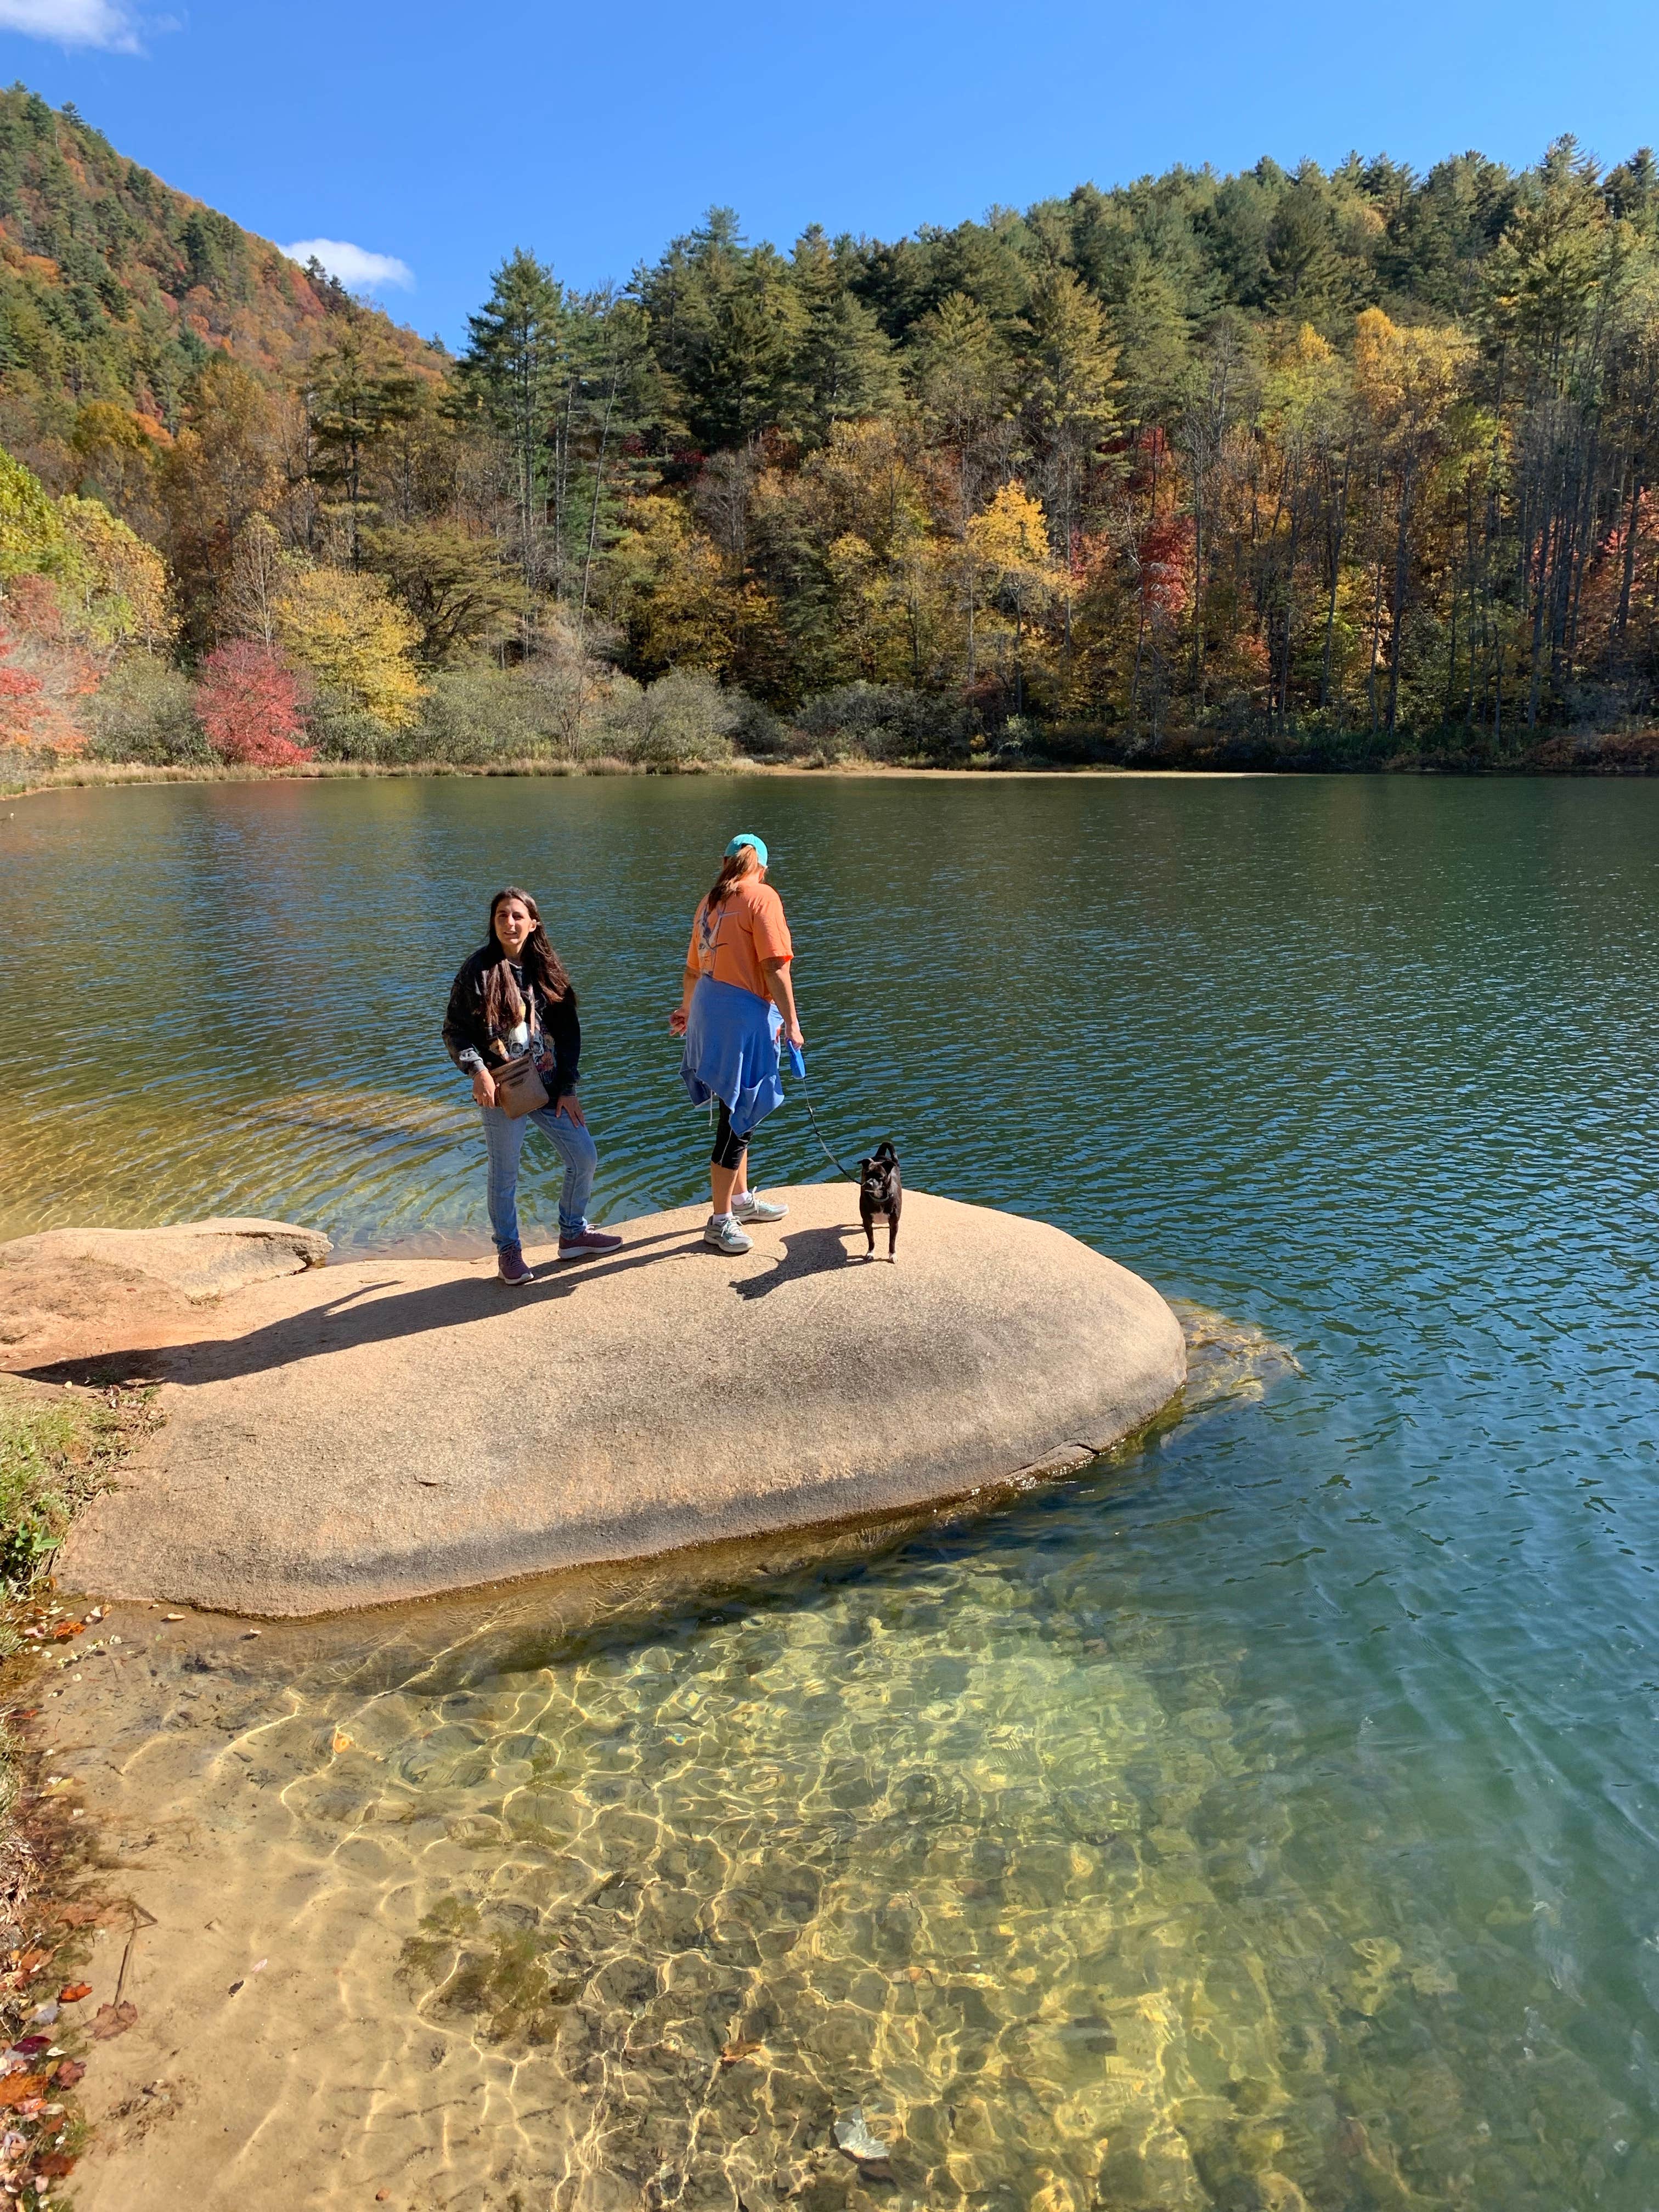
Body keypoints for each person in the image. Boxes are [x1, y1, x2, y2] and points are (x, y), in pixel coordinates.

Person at [443, 887, 622, 1286]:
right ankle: (509, 1250)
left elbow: (570, 1032)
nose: (510, 922)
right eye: (502, 915)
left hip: (549, 1084)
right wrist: (478, 1072)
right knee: (505, 1175)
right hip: (503, 1089)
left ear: (533, 923)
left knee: (585, 1156)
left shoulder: (545, 967)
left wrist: (569, 1087)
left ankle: (573, 1233)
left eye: (518, 916)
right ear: (494, 923)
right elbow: (455, 1030)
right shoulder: (479, 970)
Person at [670, 833, 803, 1255]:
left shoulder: (710, 901)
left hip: (710, 1011)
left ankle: (741, 1202)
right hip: (742, 1019)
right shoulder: (763, 896)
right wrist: (794, 1024)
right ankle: (719, 1220)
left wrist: (688, 1011)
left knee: (736, 1110)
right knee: (738, 1115)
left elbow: (694, 970)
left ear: (725, 862)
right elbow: (774, 967)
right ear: (761, 866)